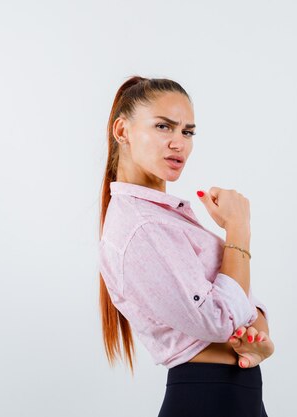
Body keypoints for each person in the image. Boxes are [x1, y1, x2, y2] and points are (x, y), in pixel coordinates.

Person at [97, 76, 274, 417]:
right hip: (206, 398)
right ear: (123, 131)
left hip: (234, 393)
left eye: (187, 132)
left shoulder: (161, 219)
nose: (179, 143)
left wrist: (257, 337)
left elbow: (239, 307)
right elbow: (218, 320)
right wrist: (238, 229)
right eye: (164, 127)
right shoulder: (141, 227)